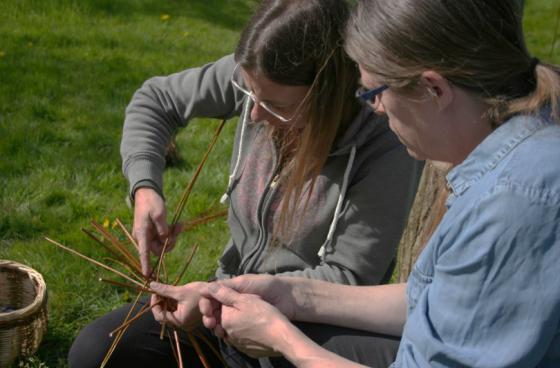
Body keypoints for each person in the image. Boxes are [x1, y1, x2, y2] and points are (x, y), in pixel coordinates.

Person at [150, 0, 560, 367]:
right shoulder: (510, 159)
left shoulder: (513, 202)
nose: (375, 109)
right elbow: (428, 298)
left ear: (434, 88)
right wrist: (292, 294)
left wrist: (283, 339)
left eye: (374, 92)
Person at [68, 0, 421, 367]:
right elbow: (156, 100)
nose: (254, 114)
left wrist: (216, 299)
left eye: (274, 105)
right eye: (251, 94)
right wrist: (145, 189)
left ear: (325, 93)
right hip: (224, 298)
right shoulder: (261, 79)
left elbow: (348, 276)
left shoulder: (384, 140)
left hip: (305, 329)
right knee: (95, 351)